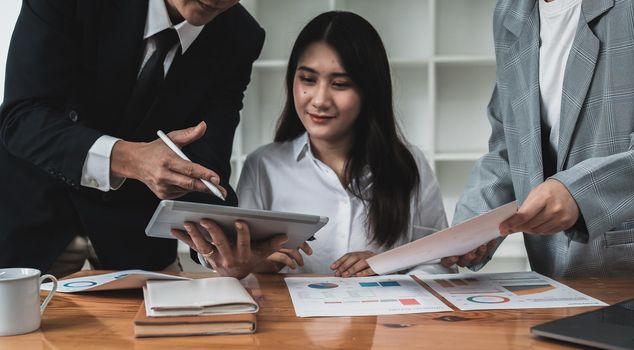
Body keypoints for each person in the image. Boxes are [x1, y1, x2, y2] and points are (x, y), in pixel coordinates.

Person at [0, 0, 284, 277]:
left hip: (136, 234)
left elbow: (205, 168)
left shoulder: (240, 37)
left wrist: (224, 246)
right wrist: (130, 159)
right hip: (33, 214)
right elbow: (22, 118)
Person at [172, 11, 452, 277]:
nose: (319, 100)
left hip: (384, 324)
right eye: (307, 79)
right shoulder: (264, 166)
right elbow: (240, 265)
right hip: (294, 325)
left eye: (340, 84)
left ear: (370, 90)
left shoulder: (408, 164)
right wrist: (255, 263)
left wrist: (390, 265)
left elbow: (441, 262)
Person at [441, 0, 634, 277]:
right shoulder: (510, 11)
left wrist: (580, 192)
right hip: (552, 277)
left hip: (622, 274)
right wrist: (472, 227)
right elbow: (510, 146)